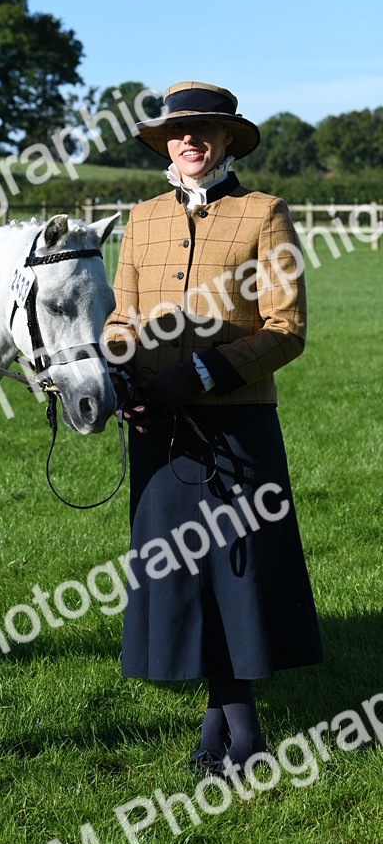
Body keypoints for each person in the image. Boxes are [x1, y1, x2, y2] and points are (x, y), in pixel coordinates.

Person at [103, 80, 323, 775]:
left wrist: (199, 376)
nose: (189, 140)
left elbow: (286, 330)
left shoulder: (265, 213)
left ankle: (240, 731)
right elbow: (120, 319)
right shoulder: (140, 220)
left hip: (236, 423)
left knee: (239, 574)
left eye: (203, 130)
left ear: (227, 140)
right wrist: (123, 379)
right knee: (185, 576)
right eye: (178, 131)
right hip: (159, 426)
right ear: (165, 144)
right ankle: (222, 725)